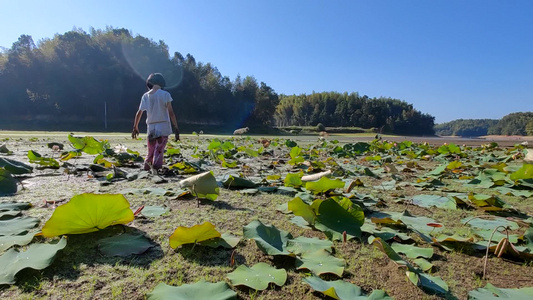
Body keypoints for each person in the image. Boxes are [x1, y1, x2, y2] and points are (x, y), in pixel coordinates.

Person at [132, 73, 179, 172]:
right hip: (163, 126)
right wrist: (176, 128)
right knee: (159, 150)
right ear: (162, 83)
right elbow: (171, 113)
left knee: (151, 150)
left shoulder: (145, 96)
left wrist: (135, 127)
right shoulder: (165, 94)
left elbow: (139, 113)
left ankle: (146, 168)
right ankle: (157, 170)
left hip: (151, 127)